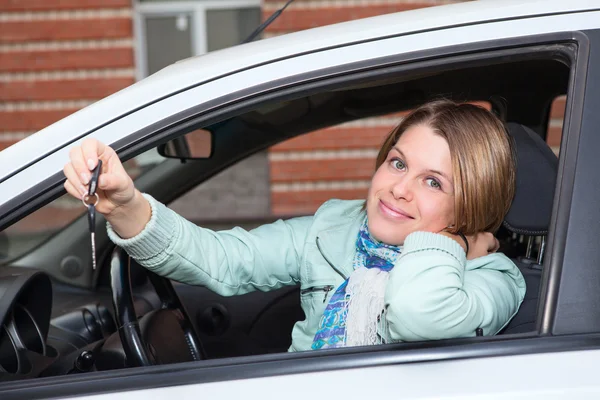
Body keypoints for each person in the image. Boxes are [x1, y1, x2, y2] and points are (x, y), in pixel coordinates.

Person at [63, 99, 526, 352]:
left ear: (474, 200)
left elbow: (417, 312)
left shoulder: (493, 277)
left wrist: (443, 242)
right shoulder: (333, 228)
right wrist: (124, 204)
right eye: (397, 162)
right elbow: (221, 259)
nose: (399, 188)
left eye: (433, 181)